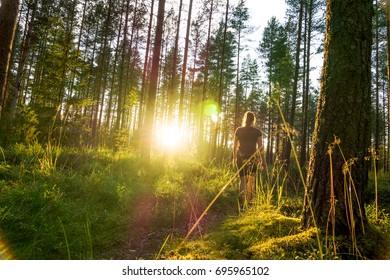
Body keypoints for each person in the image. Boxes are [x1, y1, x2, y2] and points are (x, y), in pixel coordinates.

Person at [233, 111, 266, 209]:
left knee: (242, 180)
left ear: (244, 119)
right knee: (251, 180)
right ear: (253, 120)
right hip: (253, 158)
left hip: (240, 157)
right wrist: (263, 161)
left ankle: (243, 204)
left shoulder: (238, 130)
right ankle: (250, 202)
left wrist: (234, 158)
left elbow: (234, 146)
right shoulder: (257, 132)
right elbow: (260, 148)